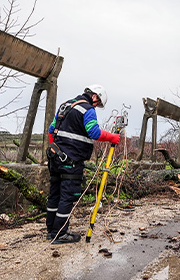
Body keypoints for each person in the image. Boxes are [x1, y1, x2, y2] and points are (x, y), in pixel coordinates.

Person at [46, 84, 120, 244]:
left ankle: (51, 231)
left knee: (54, 195)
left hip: (55, 158)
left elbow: (51, 130)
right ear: (94, 96)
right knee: (67, 197)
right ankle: (59, 234)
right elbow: (94, 132)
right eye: (97, 102)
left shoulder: (65, 105)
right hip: (71, 161)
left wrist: (56, 149)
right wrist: (112, 137)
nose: (96, 106)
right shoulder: (87, 110)